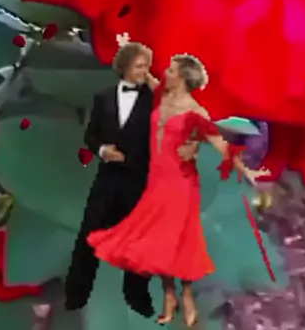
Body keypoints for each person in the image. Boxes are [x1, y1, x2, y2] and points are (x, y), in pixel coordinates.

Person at [87, 44, 270, 327]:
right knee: (159, 243)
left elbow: (220, 144)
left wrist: (247, 170)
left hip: (180, 182)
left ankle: (185, 298)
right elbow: (148, 78)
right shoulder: (163, 95)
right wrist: (125, 49)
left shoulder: (195, 112)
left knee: (178, 243)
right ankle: (171, 296)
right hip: (157, 178)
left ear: (183, 78)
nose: (166, 73)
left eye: (171, 70)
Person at [64, 40, 199, 317]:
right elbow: (91, 135)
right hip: (108, 176)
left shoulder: (156, 101)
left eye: (146, 66)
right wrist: (103, 150)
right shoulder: (103, 98)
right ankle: (77, 293)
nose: (144, 71)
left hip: (140, 179)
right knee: (89, 235)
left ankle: (136, 295)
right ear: (124, 67)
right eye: (139, 66)